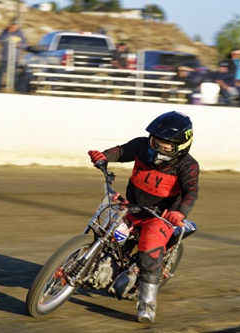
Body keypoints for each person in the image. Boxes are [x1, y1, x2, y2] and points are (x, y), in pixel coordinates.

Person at [88, 111, 199, 323]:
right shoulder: (142, 146)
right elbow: (121, 151)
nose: (157, 148)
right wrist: (103, 156)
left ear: (181, 147)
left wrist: (179, 212)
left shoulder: (188, 166)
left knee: (149, 249)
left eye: (166, 146)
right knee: (107, 232)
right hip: (131, 207)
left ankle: (147, 304)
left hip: (160, 217)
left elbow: (191, 192)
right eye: (156, 142)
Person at [0, 19, 27, 91]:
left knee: (14, 74)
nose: (14, 26)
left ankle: (14, 88)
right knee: (1, 73)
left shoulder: (20, 34)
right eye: (12, 25)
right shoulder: (5, 31)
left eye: (15, 25)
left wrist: (19, 45)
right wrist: (8, 32)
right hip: (5, 57)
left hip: (15, 58)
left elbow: (25, 44)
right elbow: (1, 40)